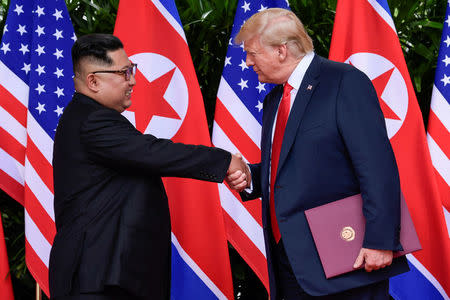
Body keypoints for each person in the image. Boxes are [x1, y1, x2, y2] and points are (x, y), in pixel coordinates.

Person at [226, 8, 409, 300]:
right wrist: (251, 176)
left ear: (281, 51)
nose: (248, 62)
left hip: (347, 259)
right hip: (290, 261)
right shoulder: (275, 98)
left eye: (252, 53)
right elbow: (294, 168)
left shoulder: (344, 82)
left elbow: (376, 166)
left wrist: (380, 240)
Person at [49, 33, 248, 300]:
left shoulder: (90, 116)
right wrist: (225, 161)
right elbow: (153, 152)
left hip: (108, 277)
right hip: (95, 280)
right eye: (123, 73)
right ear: (93, 81)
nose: (132, 80)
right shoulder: (92, 120)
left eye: (132, 70)